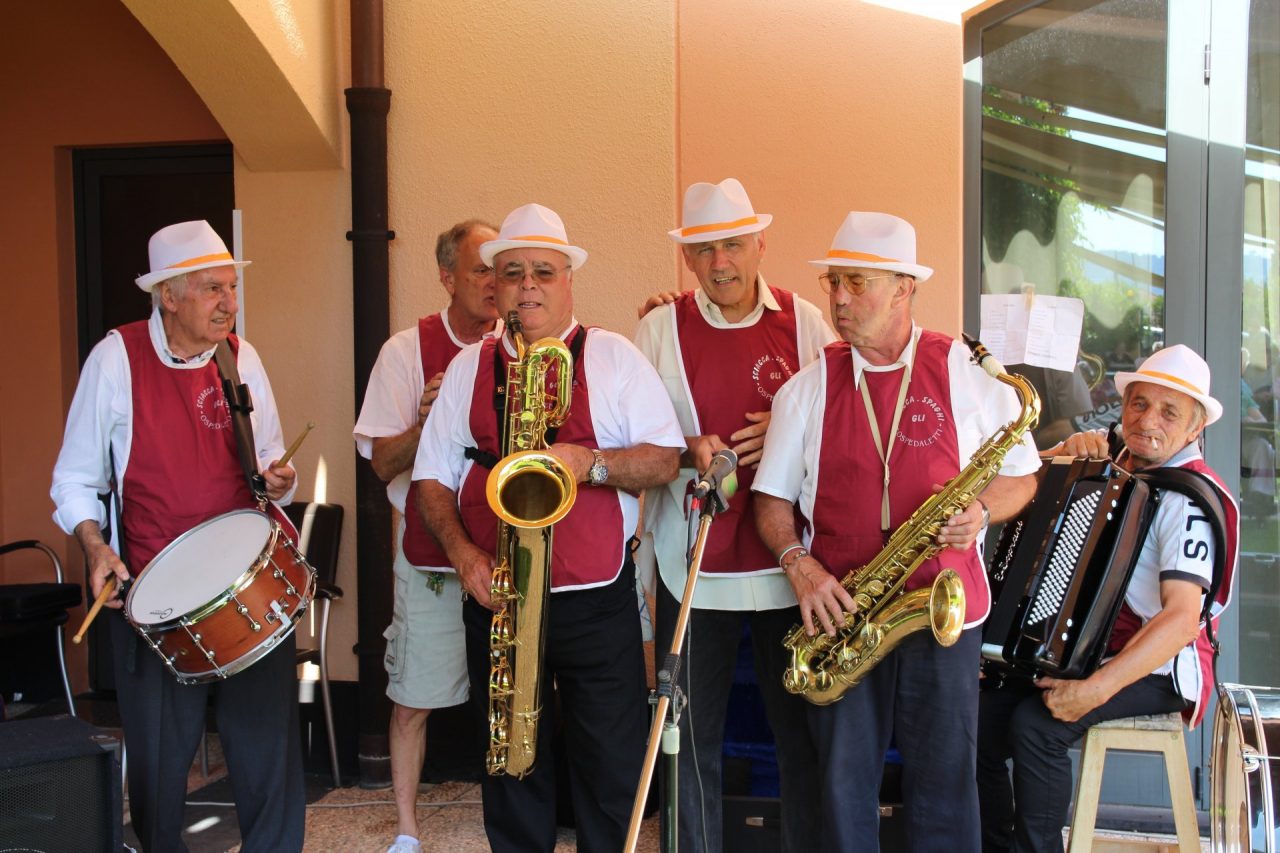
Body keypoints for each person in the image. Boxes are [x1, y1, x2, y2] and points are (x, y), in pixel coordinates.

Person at [752, 211, 1040, 850]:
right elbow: (769, 500)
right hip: (846, 610)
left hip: (943, 610)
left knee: (944, 783)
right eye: (834, 284)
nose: (840, 300)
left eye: (858, 284)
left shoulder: (964, 371)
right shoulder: (805, 388)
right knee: (840, 786)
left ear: (905, 288)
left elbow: (1021, 478)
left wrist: (983, 511)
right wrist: (800, 564)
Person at [414, 203, 685, 852]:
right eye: (512, 273)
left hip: (596, 600)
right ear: (494, 285)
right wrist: (463, 556)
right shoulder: (466, 369)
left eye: (543, 271)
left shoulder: (613, 357)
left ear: (569, 281)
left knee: (610, 765)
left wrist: (588, 462)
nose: (527, 285)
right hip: (499, 595)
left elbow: (666, 458)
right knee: (510, 766)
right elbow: (430, 479)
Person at [50, 220, 303, 851]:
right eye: (214, 289)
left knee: (266, 748)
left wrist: (280, 481)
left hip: (247, 583)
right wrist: (94, 546)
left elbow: (271, 458)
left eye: (232, 288)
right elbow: (74, 480)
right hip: (153, 593)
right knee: (162, 767)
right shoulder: (116, 357)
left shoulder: (241, 357)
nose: (230, 303)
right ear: (169, 295)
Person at [632, 177, 834, 851]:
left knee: (801, 738)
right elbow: (638, 438)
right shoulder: (657, 327)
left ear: (760, 244)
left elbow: (841, 424)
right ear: (688, 260)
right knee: (688, 743)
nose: (721, 262)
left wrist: (790, 421)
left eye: (733, 245)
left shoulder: (806, 322)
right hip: (690, 560)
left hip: (787, 566)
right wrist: (689, 449)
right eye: (704, 249)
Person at [977, 344, 1240, 853]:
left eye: (1170, 412)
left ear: (1194, 430)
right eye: (1139, 404)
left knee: (1037, 726)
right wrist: (1062, 455)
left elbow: (1181, 620)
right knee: (978, 720)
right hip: (1087, 648)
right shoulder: (1111, 458)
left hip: (1160, 668)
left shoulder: (1189, 501)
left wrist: (1094, 690)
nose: (1148, 421)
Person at [353, 219, 501, 853]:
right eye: (481, 271)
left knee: (516, 696)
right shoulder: (405, 351)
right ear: (446, 278)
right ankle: (407, 831)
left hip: (511, 553)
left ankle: (524, 819)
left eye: (503, 268)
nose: (498, 283)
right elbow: (381, 464)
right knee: (413, 698)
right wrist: (429, 422)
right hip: (431, 558)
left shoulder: (526, 341)